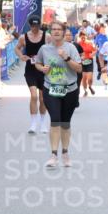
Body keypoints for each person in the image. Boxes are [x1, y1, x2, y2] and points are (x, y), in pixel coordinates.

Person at [33, 21, 83, 168]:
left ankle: (65, 153)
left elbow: (79, 68)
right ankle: (54, 155)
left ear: (63, 32)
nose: (56, 32)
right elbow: (37, 62)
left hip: (70, 89)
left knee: (65, 123)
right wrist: (42, 68)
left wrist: (67, 58)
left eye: (59, 29)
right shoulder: (44, 48)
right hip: (51, 88)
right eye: (53, 29)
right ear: (50, 32)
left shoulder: (71, 48)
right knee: (55, 119)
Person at [17, 17, 50, 134]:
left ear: (40, 25)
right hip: (30, 70)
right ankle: (33, 124)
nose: (35, 28)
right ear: (30, 25)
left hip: (43, 70)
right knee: (34, 96)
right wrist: (21, 56)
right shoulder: (24, 37)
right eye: (32, 26)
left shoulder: (46, 36)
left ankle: (43, 123)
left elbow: (53, 49)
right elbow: (17, 48)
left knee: (42, 98)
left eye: (37, 26)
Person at [76, 31, 97, 96]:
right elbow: (75, 52)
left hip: (89, 61)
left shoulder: (90, 43)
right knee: (84, 78)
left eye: (84, 36)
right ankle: (85, 91)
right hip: (82, 62)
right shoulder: (78, 44)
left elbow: (95, 50)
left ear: (86, 36)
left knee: (90, 78)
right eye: (81, 36)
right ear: (80, 37)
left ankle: (90, 86)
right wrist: (80, 57)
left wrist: (92, 54)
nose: (83, 37)